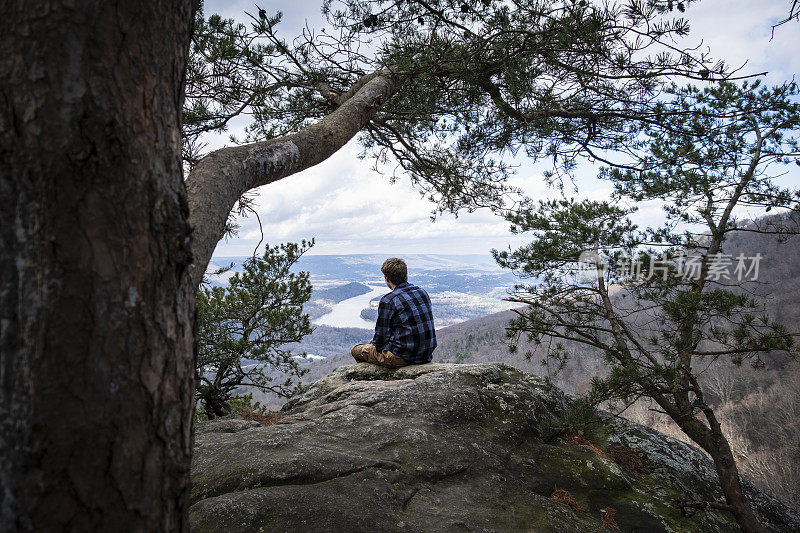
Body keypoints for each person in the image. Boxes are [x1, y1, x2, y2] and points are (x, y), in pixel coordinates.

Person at [351, 257, 437, 368]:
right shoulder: (422, 292)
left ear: (387, 279)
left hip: (402, 357)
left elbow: (379, 342)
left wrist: (376, 342)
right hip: (426, 354)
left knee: (356, 350)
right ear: (405, 275)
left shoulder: (389, 300)